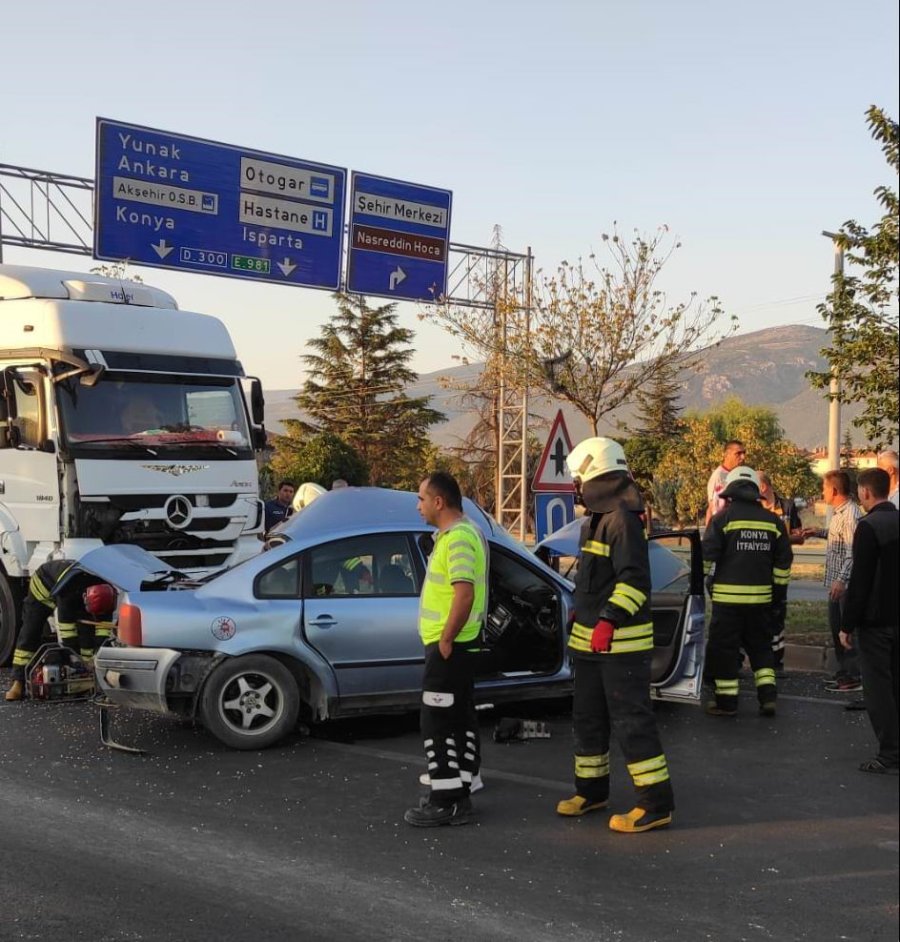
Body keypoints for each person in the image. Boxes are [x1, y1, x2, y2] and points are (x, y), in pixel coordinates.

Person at [556, 437, 674, 834]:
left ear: (596, 474)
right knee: (587, 720)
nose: (576, 487)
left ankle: (655, 805)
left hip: (621, 646)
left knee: (631, 723)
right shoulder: (596, 520)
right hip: (590, 644)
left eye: (579, 479)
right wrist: (583, 608)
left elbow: (635, 582)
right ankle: (591, 792)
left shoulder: (622, 520)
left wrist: (608, 620)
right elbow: (596, 578)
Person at [403, 472, 488, 828]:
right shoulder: (461, 534)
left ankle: (446, 800)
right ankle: (461, 787)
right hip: (457, 645)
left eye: (421, 498)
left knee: (436, 721)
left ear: (439, 502)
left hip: (450, 647)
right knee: (459, 716)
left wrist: (447, 638)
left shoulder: (458, 539)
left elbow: (463, 594)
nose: (418, 506)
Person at [702, 466, 793, 717]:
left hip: (727, 602)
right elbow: (784, 562)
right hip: (761, 600)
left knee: (725, 650)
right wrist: (777, 594)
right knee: (762, 649)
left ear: (730, 493)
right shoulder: (773, 522)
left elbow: (707, 558)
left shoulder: (722, 520)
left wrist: (702, 585)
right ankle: (768, 697)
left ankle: (727, 703)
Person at [839, 468, 899, 774]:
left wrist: (846, 625)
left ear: (865, 492)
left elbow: (860, 582)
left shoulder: (868, 526)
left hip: (875, 622)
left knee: (878, 690)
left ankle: (890, 755)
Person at [4, 559, 116, 702]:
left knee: (86, 634)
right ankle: (17, 683)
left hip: (78, 594)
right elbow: (68, 636)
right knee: (30, 632)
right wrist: (75, 661)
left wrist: (94, 660)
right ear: (85, 598)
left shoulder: (107, 595)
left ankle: (87, 681)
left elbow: (103, 634)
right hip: (44, 588)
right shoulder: (68, 593)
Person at [801, 470, 863, 692]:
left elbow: (852, 552)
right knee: (837, 628)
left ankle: (854, 676)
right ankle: (844, 672)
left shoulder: (851, 514)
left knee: (846, 631)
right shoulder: (840, 513)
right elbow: (839, 537)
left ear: (835, 490)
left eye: (824, 488)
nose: (822, 492)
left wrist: (841, 580)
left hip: (844, 585)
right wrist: (818, 532)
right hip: (836, 584)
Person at [758, 471, 804, 671]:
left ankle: (776, 662)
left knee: (777, 613)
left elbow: (799, 537)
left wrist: (777, 537)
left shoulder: (787, 506)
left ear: (763, 487)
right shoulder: (753, 507)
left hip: (779, 567)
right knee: (754, 614)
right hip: (758, 568)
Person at [705, 440, 747, 526]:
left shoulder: (739, 474)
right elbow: (714, 509)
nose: (743, 457)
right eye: (738, 453)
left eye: (744, 453)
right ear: (727, 455)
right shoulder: (719, 477)